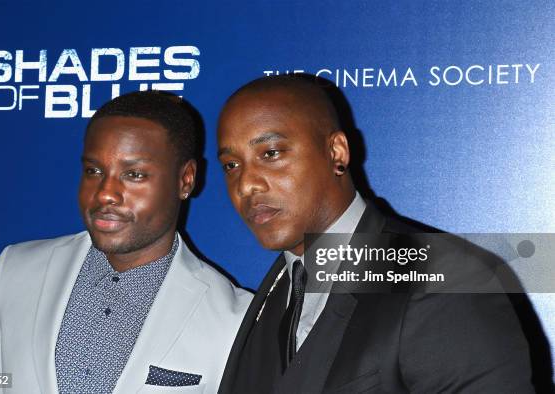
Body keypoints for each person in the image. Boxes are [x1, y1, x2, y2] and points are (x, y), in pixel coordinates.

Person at [216, 75, 534, 393]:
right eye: (231, 165)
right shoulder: (271, 297)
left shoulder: (443, 278)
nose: (246, 185)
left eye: (271, 153)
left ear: (337, 152)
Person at [0, 91, 252, 394]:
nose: (105, 194)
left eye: (134, 174)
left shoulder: (233, 319)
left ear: (185, 180)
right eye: (94, 171)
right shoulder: (16, 269)